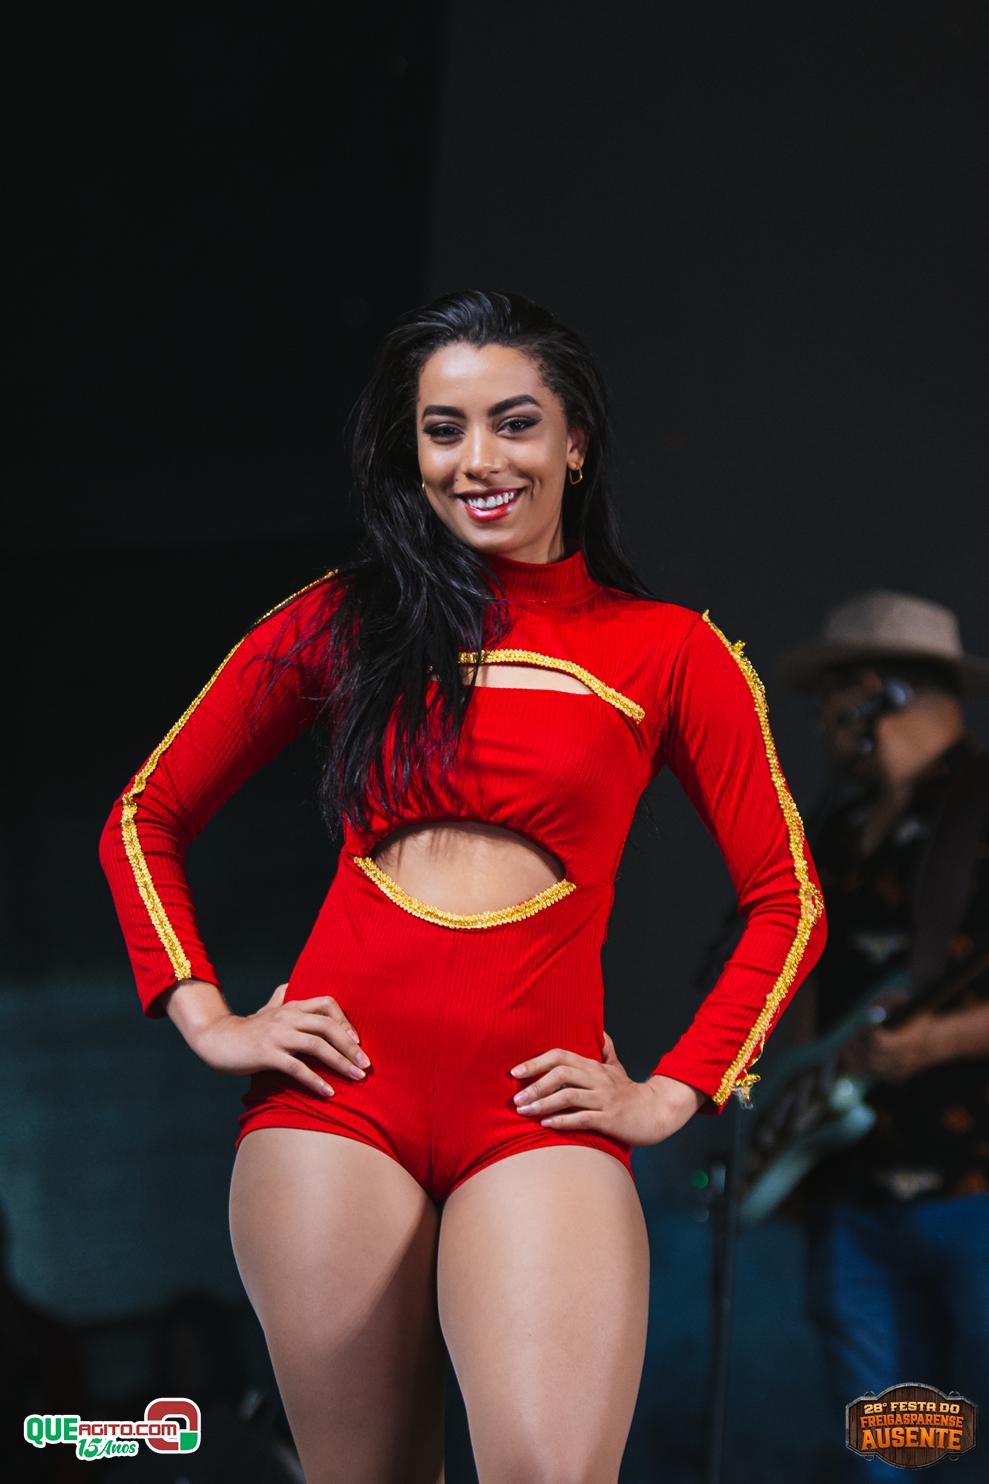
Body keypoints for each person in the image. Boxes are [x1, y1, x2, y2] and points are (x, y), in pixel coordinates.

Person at [98, 288, 827, 1484]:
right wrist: (208, 1014)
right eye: (442, 430)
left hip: (536, 1109)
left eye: (513, 421)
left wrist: (675, 1089)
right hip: (334, 1103)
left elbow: (786, 895)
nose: (476, 459)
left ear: (574, 439)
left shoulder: (670, 649)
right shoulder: (341, 620)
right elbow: (145, 812)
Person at [775, 590, 989, 1481]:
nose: (821, 719)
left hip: (973, 1180)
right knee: (891, 1445)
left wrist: (934, 1044)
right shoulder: (835, 826)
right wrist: (792, 1103)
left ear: (874, 693)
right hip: (853, 1186)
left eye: (830, 695)